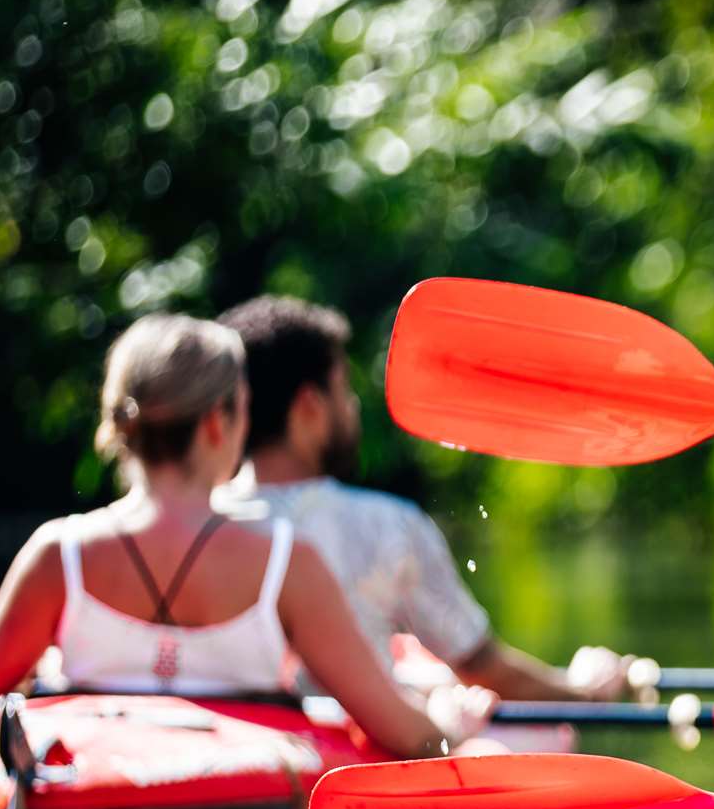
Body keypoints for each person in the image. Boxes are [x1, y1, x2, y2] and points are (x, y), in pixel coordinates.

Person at [0, 315, 484, 758]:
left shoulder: (57, 555)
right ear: (219, 421)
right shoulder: (287, 563)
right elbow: (403, 733)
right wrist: (450, 726)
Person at [215, 295, 636, 701]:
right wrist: (584, 689)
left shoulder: (195, 522)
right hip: (355, 748)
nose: (353, 406)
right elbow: (483, 669)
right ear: (309, 406)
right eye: (343, 390)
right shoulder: (388, 525)